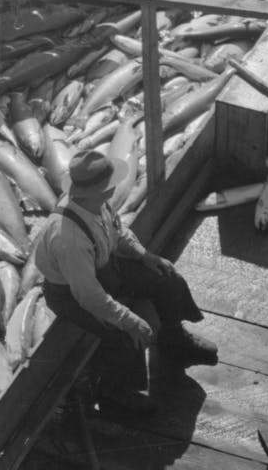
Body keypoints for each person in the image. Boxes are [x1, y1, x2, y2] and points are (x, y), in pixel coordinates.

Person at [35, 149, 218, 417]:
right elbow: (89, 296)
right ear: (92, 190)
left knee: (166, 277)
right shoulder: (69, 238)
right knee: (123, 334)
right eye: (108, 186)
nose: (114, 188)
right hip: (71, 296)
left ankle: (173, 337)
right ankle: (115, 392)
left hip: (105, 269)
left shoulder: (96, 204)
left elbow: (118, 233)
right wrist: (130, 320)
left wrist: (144, 256)